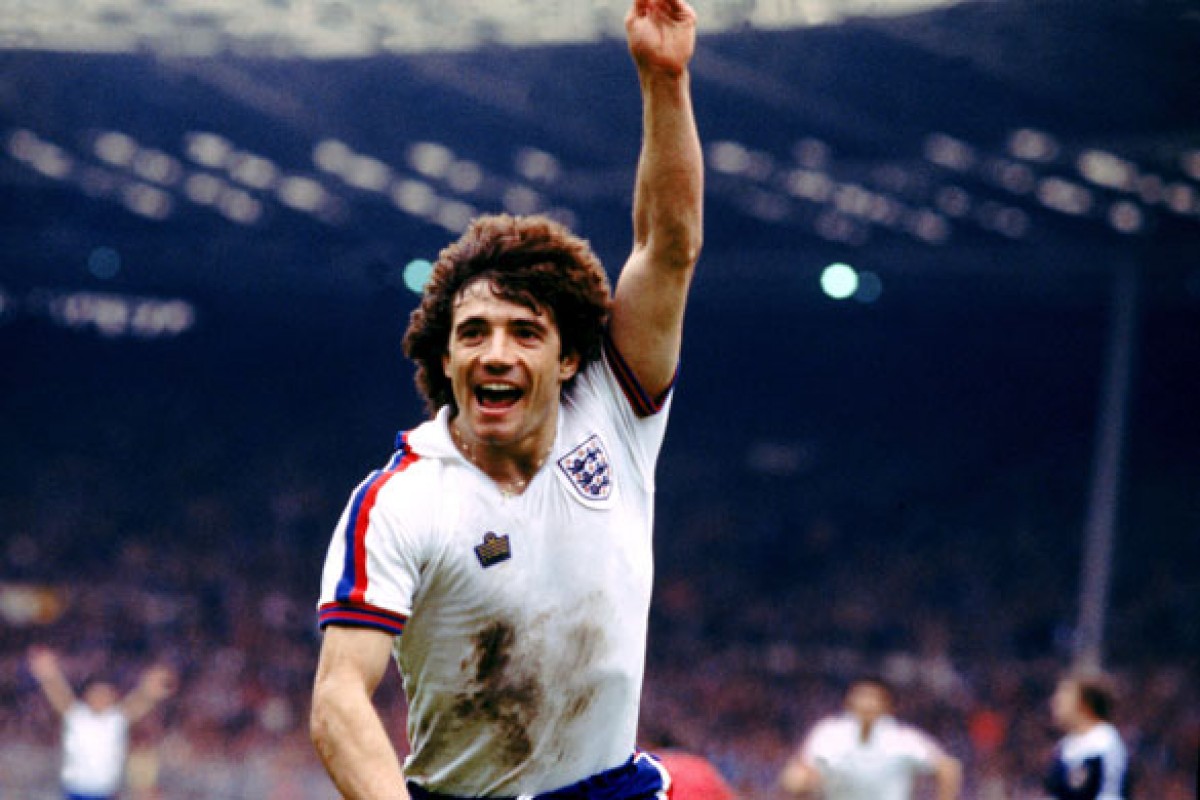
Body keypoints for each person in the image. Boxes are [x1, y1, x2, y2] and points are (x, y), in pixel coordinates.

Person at [309, 0, 704, 798]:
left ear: (568, 358)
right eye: (474, 332)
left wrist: (664, 80)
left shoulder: (614, 414)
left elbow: (667, 247)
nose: (496, 352)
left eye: (525, 331)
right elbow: (339, 700)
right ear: (444, 356)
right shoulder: (398, 501)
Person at [27, 646, 175, 800]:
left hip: (105, 791)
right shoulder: (77, 716)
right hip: (76, 790)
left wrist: (151, 689)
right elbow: (59, 694)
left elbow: (139, 701)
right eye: (96, 694)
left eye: (106, 695)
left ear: (114, 697)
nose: (101, 699)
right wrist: (48, 675)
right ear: (86, 695)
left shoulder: (116, 719)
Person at [778, 676, 962, 800]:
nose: (866, 703)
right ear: (848, 701)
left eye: (873, 698)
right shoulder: (830, 734)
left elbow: (948, 769)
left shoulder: (902, 739)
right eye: (861, 696)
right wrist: (799, 781)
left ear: (886, 706)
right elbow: (803, 772)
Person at [1044, 672, 1131, 800]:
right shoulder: (1064, 746)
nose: (1055, 704)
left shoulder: (1105, 743)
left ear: (1084, 703)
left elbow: (1109, 793)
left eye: (1064, 697)